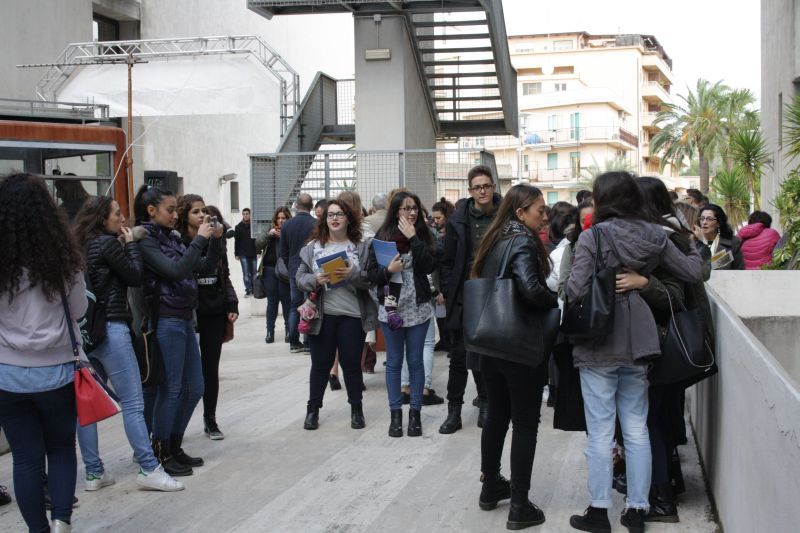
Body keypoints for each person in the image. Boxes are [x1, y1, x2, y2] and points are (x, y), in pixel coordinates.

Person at [566, 172, 706, 533]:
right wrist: (693, 242)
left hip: (599, 341)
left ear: (603, 200)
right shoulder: (655, 235)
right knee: (637, 426)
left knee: (599, 431)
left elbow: (576, 289)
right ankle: (637, 510)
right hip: (640, 338)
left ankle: (599, 511)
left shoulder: (591, 236)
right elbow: (694, 271)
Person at [615, 176, 713, 523]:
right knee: (658, 418)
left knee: (649, 421)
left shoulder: (664, 237)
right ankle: (668, 482)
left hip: (660, 342)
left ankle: (661, 497)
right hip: (662, 341)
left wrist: (644, 283)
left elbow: (678, 292)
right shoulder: (668, 233)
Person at [72, 196, 184, 493]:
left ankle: (94, 473)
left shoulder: (81, 246)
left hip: (87, 334)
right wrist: (131, 244)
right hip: (112, 328)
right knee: (134, 403)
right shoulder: (108, 243)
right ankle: (149, 467)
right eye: (117, 214)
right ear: (102, 219)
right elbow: (134, 276)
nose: (122, 219)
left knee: (87, 407)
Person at [0, 173, 85, 533]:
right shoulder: (65, 259)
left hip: (7, 374)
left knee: (26, 459)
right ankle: (62, 519)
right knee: (62, 449)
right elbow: (79, 310)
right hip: (58, 370)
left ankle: (38, 530)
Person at [471, 184, 558, 530]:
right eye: (540, 209)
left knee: (496, 415)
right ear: (520, 213)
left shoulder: (494, 239)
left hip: (490, 344)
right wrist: (555, 300)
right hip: (518, 345)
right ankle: (519, 504)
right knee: (524, 422)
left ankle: (490, 485)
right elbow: (530, 288)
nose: (545, 215)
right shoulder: (522, 240)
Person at [135, 185, 222, 477]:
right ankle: (161, 449)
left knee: (195, 386)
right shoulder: (146, 239)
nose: (175, 215)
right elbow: (175, 271)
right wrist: (198, 240)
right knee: (170, 388)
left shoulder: (170, 237)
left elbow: (202, 265)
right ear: (151, 211)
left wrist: (215, 241)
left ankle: (174, 445)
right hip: (167, 319)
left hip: (184, 317)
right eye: (170, 210)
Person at [295, 200, 377, 430]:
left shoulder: (361, 246)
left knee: (351, 364)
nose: (335, 218)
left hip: (352, 315)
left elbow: (371, 279)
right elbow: (299, 278)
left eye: (339, 214)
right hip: (323, 315)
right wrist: (315, 279)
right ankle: (313, 410)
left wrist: (352, 273)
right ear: (324, 220)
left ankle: (356, 410)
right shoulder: (313, 247)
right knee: (320, 364)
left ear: (349, 218)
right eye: (330, 215)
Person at [368, 191, 438, 437]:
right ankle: (395, 415)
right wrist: (388, 270)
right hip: (392, 309)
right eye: (406, 208)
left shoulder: (423, 235)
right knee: (394, 363)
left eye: (415, 208)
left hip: (418, 308)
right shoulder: (383, 238)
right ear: (395, 211)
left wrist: (414, 238)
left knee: (416, 362)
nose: (411, 212)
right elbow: (371, 276)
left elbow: (430, 265)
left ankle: (415, 415)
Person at [439, 165, 501, 434]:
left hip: (495, 295)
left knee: (486, 354)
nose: (483, 191)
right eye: (478, 187)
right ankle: (454, 411)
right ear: (470, 191)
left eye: (486, 185)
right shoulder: (458, 220)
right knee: (459, 356)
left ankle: (486, 403)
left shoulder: (505, 216)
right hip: (464, 295)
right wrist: (447, 288)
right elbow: (447, 260)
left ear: (493, 187)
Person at [177, 197, 239, 441]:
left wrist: (231, 303)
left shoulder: (216, 240)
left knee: (210, 369)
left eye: (204, 210)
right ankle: (176, 425)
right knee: (185, 373)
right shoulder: (179, 243)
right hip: (189, 312)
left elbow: (223, 273)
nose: (202, 215)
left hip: (213, 310)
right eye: (195, 211)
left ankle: (210, 419)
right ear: (185, 216)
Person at [280, 194, 319, 353]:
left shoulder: (287, 225)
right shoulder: (316, 224)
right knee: (310, 304)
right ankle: (308, 342)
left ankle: (294, 342)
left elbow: (283, 251)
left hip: (294, 268)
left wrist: (291, 266)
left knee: (294, 305)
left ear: (296, 205)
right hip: (310, 270)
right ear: (312, 206)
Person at [256, 207, 292, 343]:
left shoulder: (290, 231)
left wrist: (283, 236)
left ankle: (289, 331)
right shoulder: (269, 229)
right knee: (272, 302)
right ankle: (269, 332)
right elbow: (257, 244)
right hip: (269, 270)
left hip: (285, 271)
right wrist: (268, 235)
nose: (281, 220)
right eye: (279, 218)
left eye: (284, 218)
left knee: (286, 301)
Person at [430, 197, 455, 352]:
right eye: (434, 218)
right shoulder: (439, 235)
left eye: (438, 218)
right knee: (441, 313)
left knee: (448, 314)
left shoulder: (451, 237)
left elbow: (447, 265)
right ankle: (445, 341)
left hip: (447, 283)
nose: (435, 221)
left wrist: (442, 291)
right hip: (440, 280)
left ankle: (452, 344)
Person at [693, 204, 744, 270]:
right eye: (702, 218)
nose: (704, 222)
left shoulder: (733, 242)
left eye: (709, 219)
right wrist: (701, 242)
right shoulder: (693, 242)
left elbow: (739, 270)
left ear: (718, 223)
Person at [234, 208, 258, 297]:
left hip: (253, 252)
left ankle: (255, 290)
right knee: (246, 273)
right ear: (242, 215)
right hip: (242, 253)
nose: (245, 215)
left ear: (250, 214)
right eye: (244, 214)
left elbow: (257, 240)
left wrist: (258, 251)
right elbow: (236, 241)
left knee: (254, 273)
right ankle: (248, 290)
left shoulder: (254, 226)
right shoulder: (238, 227)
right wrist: (236, 254)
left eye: (247, 213)